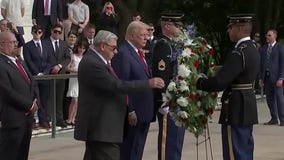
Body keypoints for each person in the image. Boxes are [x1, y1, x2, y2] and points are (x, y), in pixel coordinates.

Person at [74, 30, 164, 160]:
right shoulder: (93, 63)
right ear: (103, 46)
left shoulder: (98, 61)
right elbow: (117, 86)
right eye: (113, 48)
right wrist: (147, 84)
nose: (116, 52)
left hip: (102, 127)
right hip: (101, 127)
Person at [196, 14, 259, 159]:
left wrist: (200, 82)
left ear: (239, 28)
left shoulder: (239, 52)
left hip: (236, 106)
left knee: (234, 152)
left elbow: (220, 81)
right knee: (245, 148)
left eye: (230, 27)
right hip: (247, 103)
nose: (228, 31)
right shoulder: (252, 48)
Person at [111, 21, 153, 160]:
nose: (146, 38)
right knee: (129, 152)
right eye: (142, 35)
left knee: (137, 152)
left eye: (147, 35)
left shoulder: (138, 53)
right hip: (133, 115)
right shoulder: (123, 54)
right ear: (132, 36)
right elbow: (122, 84)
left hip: (144, 112)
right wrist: (130, 109)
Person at [151, 13, 186, 160]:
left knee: (176, 142)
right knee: (169, 142)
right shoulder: (163, 45)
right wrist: (164, 100)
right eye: (177, 25)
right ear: (167, 26)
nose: (180, 28)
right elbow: (162, 74)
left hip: (178, 99)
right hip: (168, 101)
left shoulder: (174, 44)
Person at [0, 31, 38, 160]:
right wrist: (29, 105)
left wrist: (35, 100)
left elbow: (31, 82)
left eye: (15, 42)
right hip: (13, 118)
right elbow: (7, 91)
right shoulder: (1, 64)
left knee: (22, 153)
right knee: (10, 154)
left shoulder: (18, 61)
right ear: (1, 45)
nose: (15, 45)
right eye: (12, 42)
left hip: (26, 120)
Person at [23, 25, 52, 129]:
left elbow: (50, 60)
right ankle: (32, 120)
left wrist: (45, 72)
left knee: (44, 99)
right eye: (35, 32)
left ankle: (43, 119)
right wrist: (37, 73)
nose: (37, 34)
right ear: (32, 32)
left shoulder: (46, 45)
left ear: (42, 33)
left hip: (45, 76)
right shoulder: (27, 46)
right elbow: (28, 61)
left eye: (39, 32)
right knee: (36, 99)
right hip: (34, 76)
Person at [43, 24, 71, 128]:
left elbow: (68, 58)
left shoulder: (63, 44)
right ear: (51, 31)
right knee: (49, 97)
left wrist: (59, 66)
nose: (57, 34)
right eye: (55, 31)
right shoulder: (45, 43)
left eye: (59, 32)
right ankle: (48, 118)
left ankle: (59, 119)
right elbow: (43, 58)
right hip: (49, 74)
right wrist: (52, 67)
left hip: (61, 74)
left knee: (59, 97)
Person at [259, 29, 284, 126]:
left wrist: (281, 78)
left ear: (275, 36)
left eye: (269, 35)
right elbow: (261, 64)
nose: (267, 37)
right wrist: (261, 78)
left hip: (277, 78)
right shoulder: (264, 49)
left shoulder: (280, 48)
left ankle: (282, 119)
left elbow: (282, 64)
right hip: (267, 77)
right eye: (267, 35)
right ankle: (274, 118)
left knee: (279, 99)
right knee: (269, 99)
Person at [65, 39, 88, 125]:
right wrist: (75, 71)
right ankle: (69, 118)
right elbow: (67, 68)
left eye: (83, 48)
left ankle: (73, 119)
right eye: (80, 48)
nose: (81, 50)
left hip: (81, 80)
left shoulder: (85, 58)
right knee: (74, 100)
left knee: (77, 100)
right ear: (77, 47)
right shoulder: (72, 56)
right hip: (73, 78)